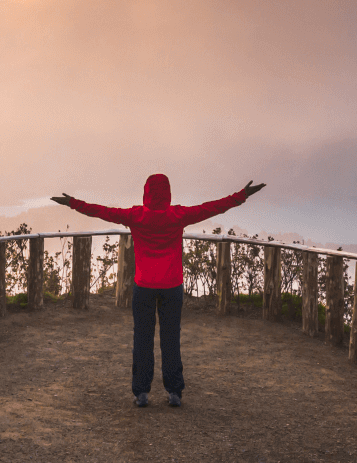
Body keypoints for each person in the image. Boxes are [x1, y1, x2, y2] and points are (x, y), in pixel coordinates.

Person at [51, 174, 265, 408]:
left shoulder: (135, 216)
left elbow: (102, 211)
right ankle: (174, 392)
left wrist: (72, 202)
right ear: (168, 193)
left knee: (142, 339)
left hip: (143, 286)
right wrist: (241, 196)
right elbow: (211, 208)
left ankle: (142, 393)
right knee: (171, 339)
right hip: (172, 286)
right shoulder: (178, 215)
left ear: (146, 192)